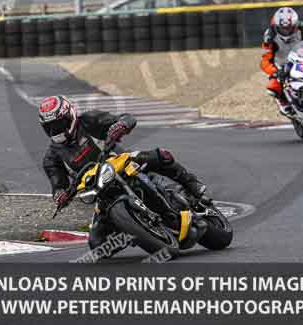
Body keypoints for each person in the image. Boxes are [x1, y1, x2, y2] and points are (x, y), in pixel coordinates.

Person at [38, 95, 209, 251]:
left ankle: (191, 184)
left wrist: (121, 125)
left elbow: (127, 118)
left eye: (59, 125)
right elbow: (58, 183)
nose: (56, 131)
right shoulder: (51, 158)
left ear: (71, 116)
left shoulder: (90, 121)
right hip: (99, 191)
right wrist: (60, 194)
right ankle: (136, 232)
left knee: (161, 156)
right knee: (97, 244)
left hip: (122, 163)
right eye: (51, 128)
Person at [260, 7, 303, 118]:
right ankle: (282, 102)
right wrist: (274, 71)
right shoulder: (269, 37)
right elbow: (265, 60)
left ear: (295, 25)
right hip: (282, 65)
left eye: (289, 28)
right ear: (276, 27)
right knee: (273, 87)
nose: (286, 31)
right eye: (282, 28)